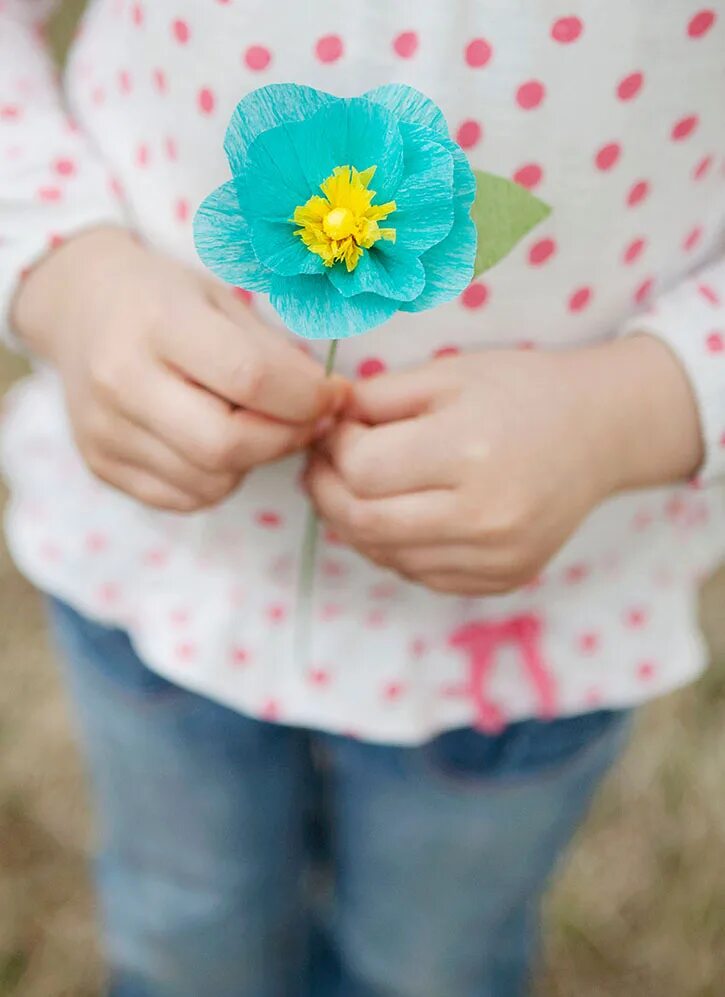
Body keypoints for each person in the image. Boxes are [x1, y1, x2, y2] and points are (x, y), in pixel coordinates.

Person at [1, 1, 724, 994]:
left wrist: (643, 404)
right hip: (171, 574)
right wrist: (69, 276)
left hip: (514, 634)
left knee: (431, 965)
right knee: (185, 929)